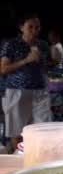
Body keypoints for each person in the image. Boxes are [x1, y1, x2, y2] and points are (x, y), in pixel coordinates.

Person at [0, 13, 52, 153]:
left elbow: (45, 67)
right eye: (30, 27)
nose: (34, 30)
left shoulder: (43, 45)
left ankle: (37, 155)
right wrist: (26, 60)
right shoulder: (11, 44)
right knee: (16, 129)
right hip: (16, 91)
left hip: (40, 91)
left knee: (42, 127)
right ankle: (19, 156)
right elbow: (3, 69)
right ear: (21, 27)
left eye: (37, 27)